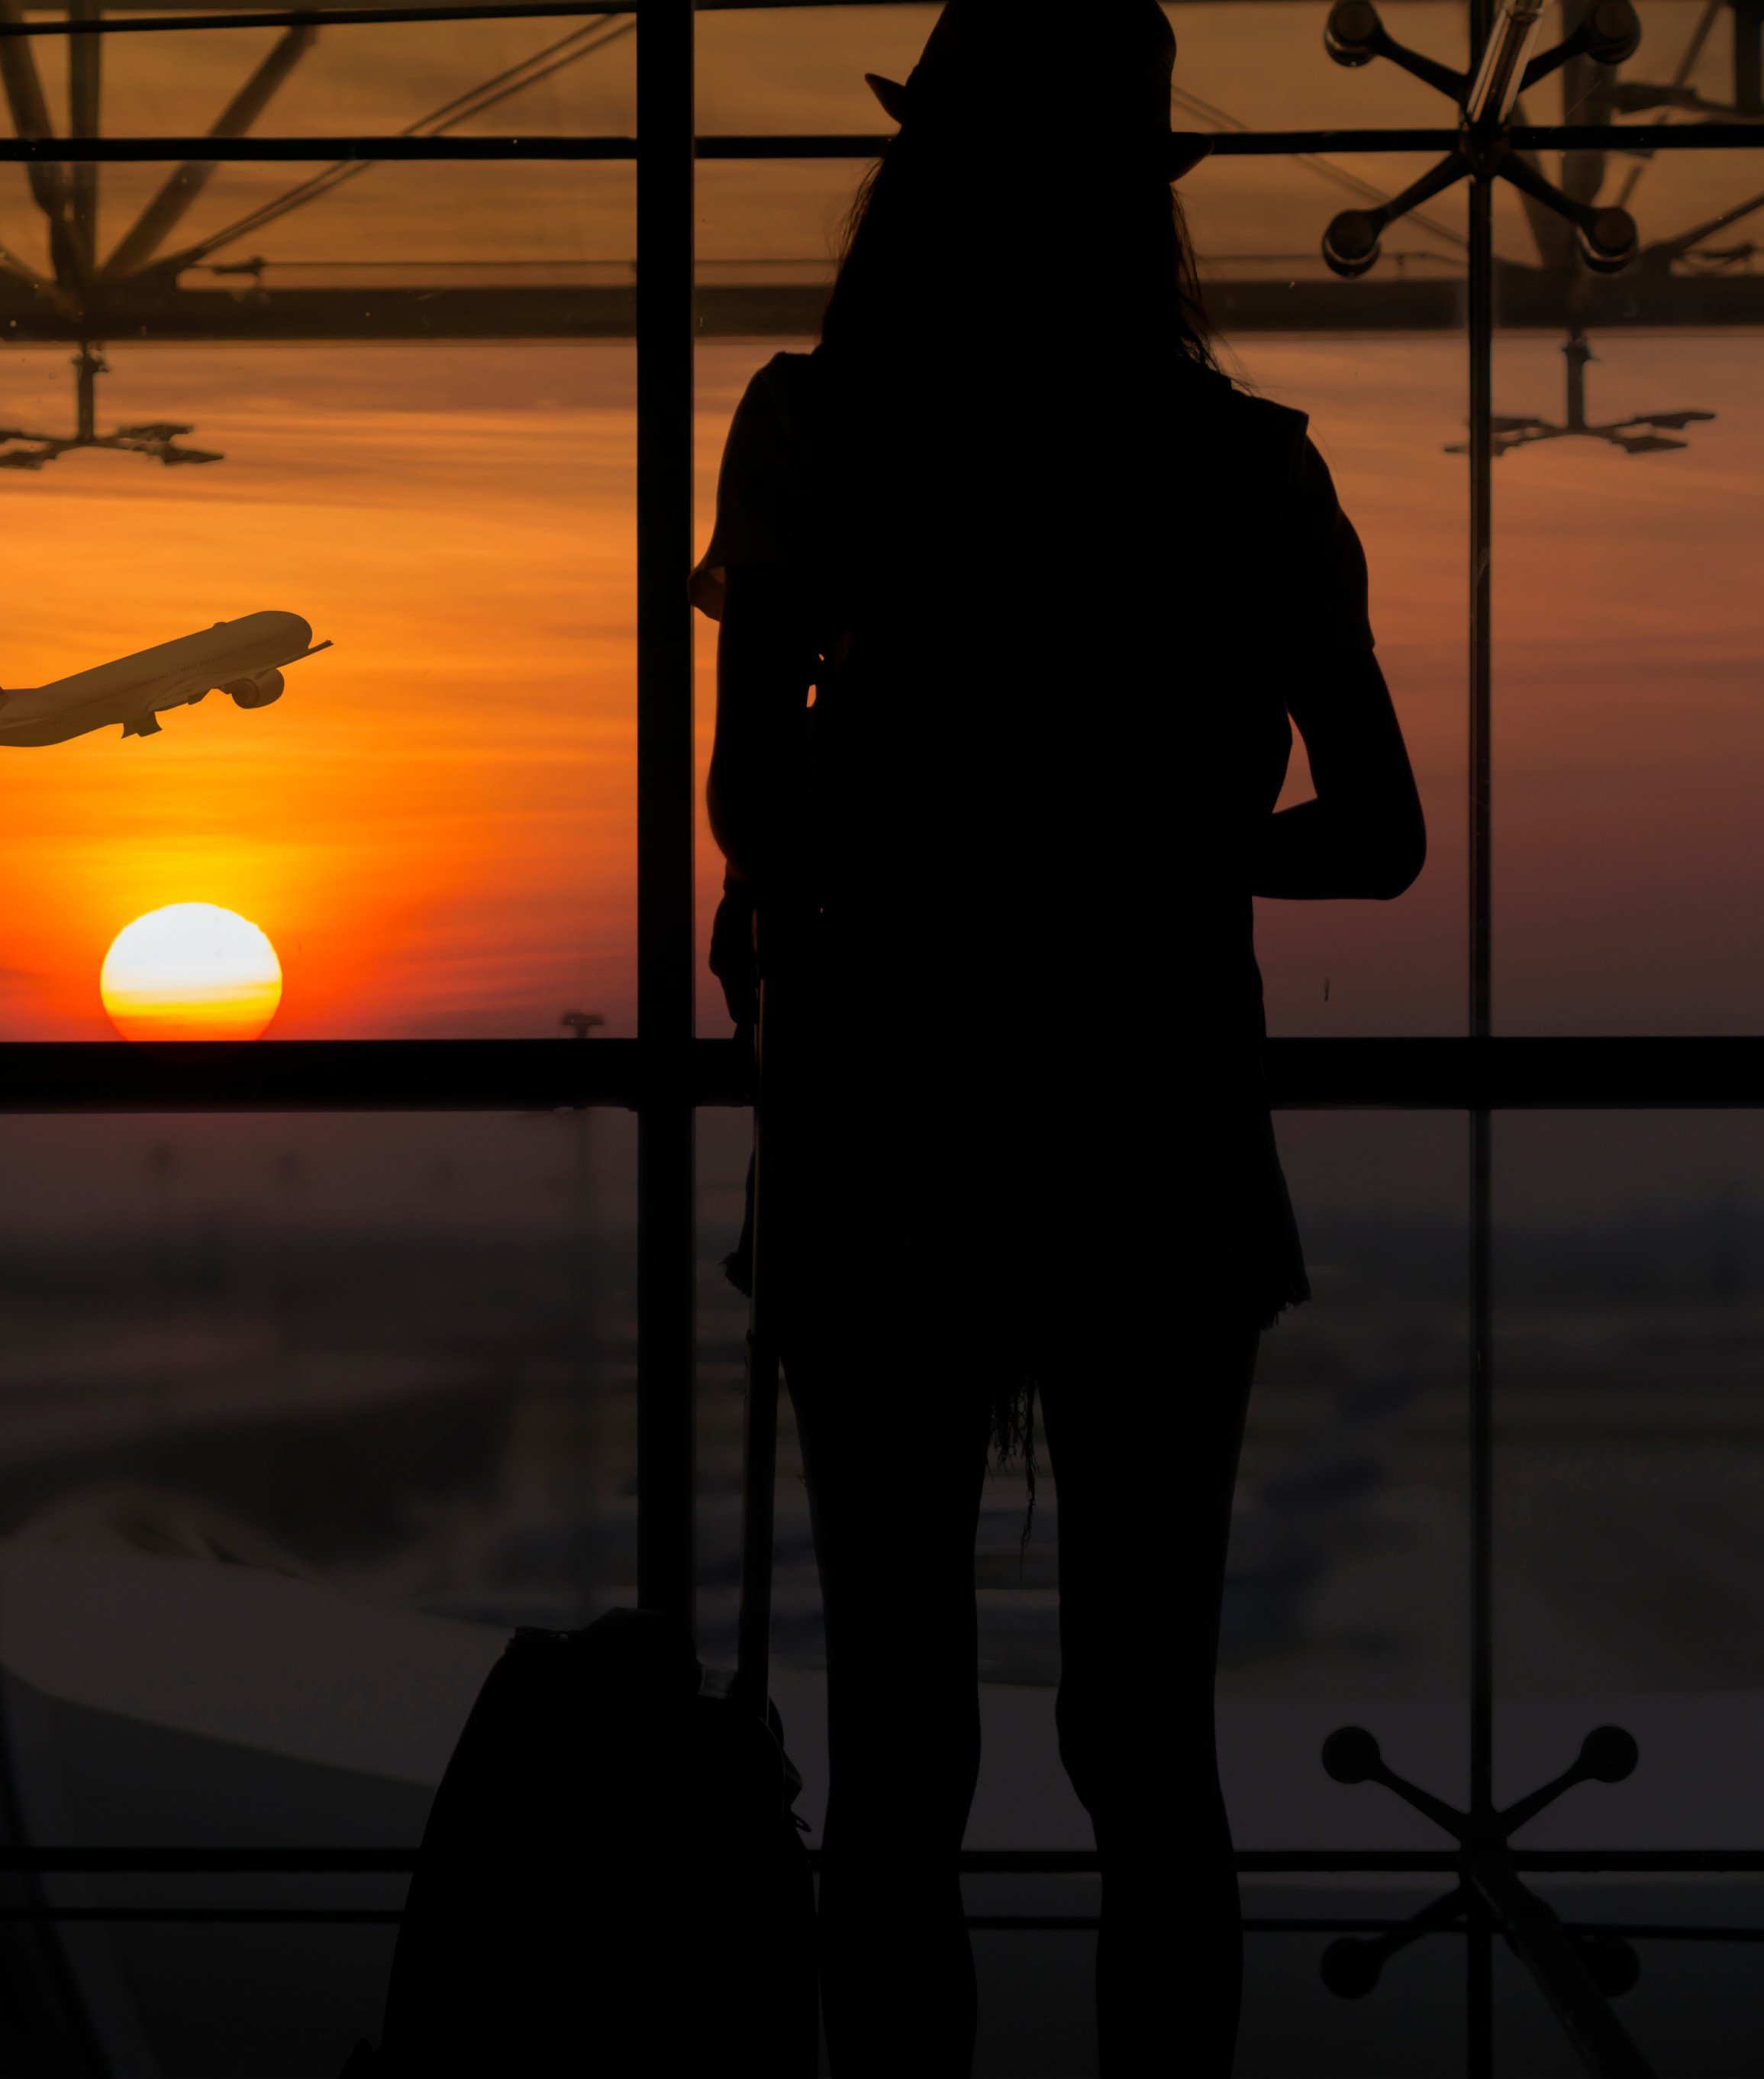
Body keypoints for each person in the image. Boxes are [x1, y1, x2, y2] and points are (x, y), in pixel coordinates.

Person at [693, 2, 1427, 2073]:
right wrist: (1160, 860)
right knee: (1147, 1742)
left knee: (894, 1751)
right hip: (1156, 1140)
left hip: (889, 1133)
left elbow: (755, 799)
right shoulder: (1246, 473)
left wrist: (913, 845)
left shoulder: (818, 431)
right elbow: (1374, 836)